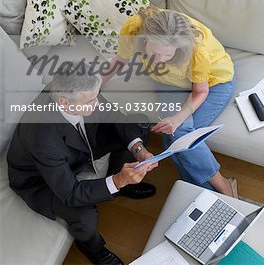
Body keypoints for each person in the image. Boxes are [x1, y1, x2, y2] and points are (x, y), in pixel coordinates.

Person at [6, 64, 158, 265]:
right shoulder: (42, 137)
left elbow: (114, 115)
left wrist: (138, 149)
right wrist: (118, 180)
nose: (97, 104)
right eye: (91, 101)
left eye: (97, 96)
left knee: (138, 125)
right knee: (83, 214)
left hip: (79, 147)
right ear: (64, 102)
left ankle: (121, 187)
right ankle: (91, 247)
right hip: (40, 179)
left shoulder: (78, 89)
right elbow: (70, 194)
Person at [103, 6, 237, 198]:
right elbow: (120, 60)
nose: (159, 60)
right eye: (155, 53)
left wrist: (177, 118)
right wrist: (95, 85)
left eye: (168, 55)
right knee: (174, 141)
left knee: (178, 137)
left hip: (214, 82)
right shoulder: (134, 29)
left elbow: (200, 91)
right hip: (171, 83)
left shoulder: (196, 50)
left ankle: (225, 189)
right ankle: (207, 195)